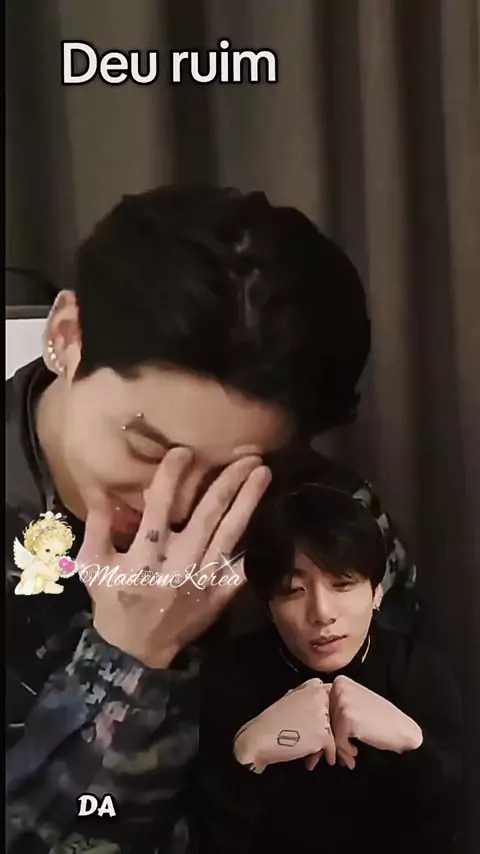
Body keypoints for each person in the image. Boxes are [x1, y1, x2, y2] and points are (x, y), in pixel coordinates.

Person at [6, 185, 416, 853]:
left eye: (231, 473)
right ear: (66, 336)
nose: (175, 504)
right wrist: (128, 663)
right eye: (147, 450)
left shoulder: (324, 517)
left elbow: (396, 795)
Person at [197, 470, 462, 853]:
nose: (322, 613)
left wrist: (411, 744)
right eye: (294, 590)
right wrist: (248, 754)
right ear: (269, 607)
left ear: (376, 592)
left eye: (342, 584)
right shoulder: (230, 676)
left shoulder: (419, 669)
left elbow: (448, 829)